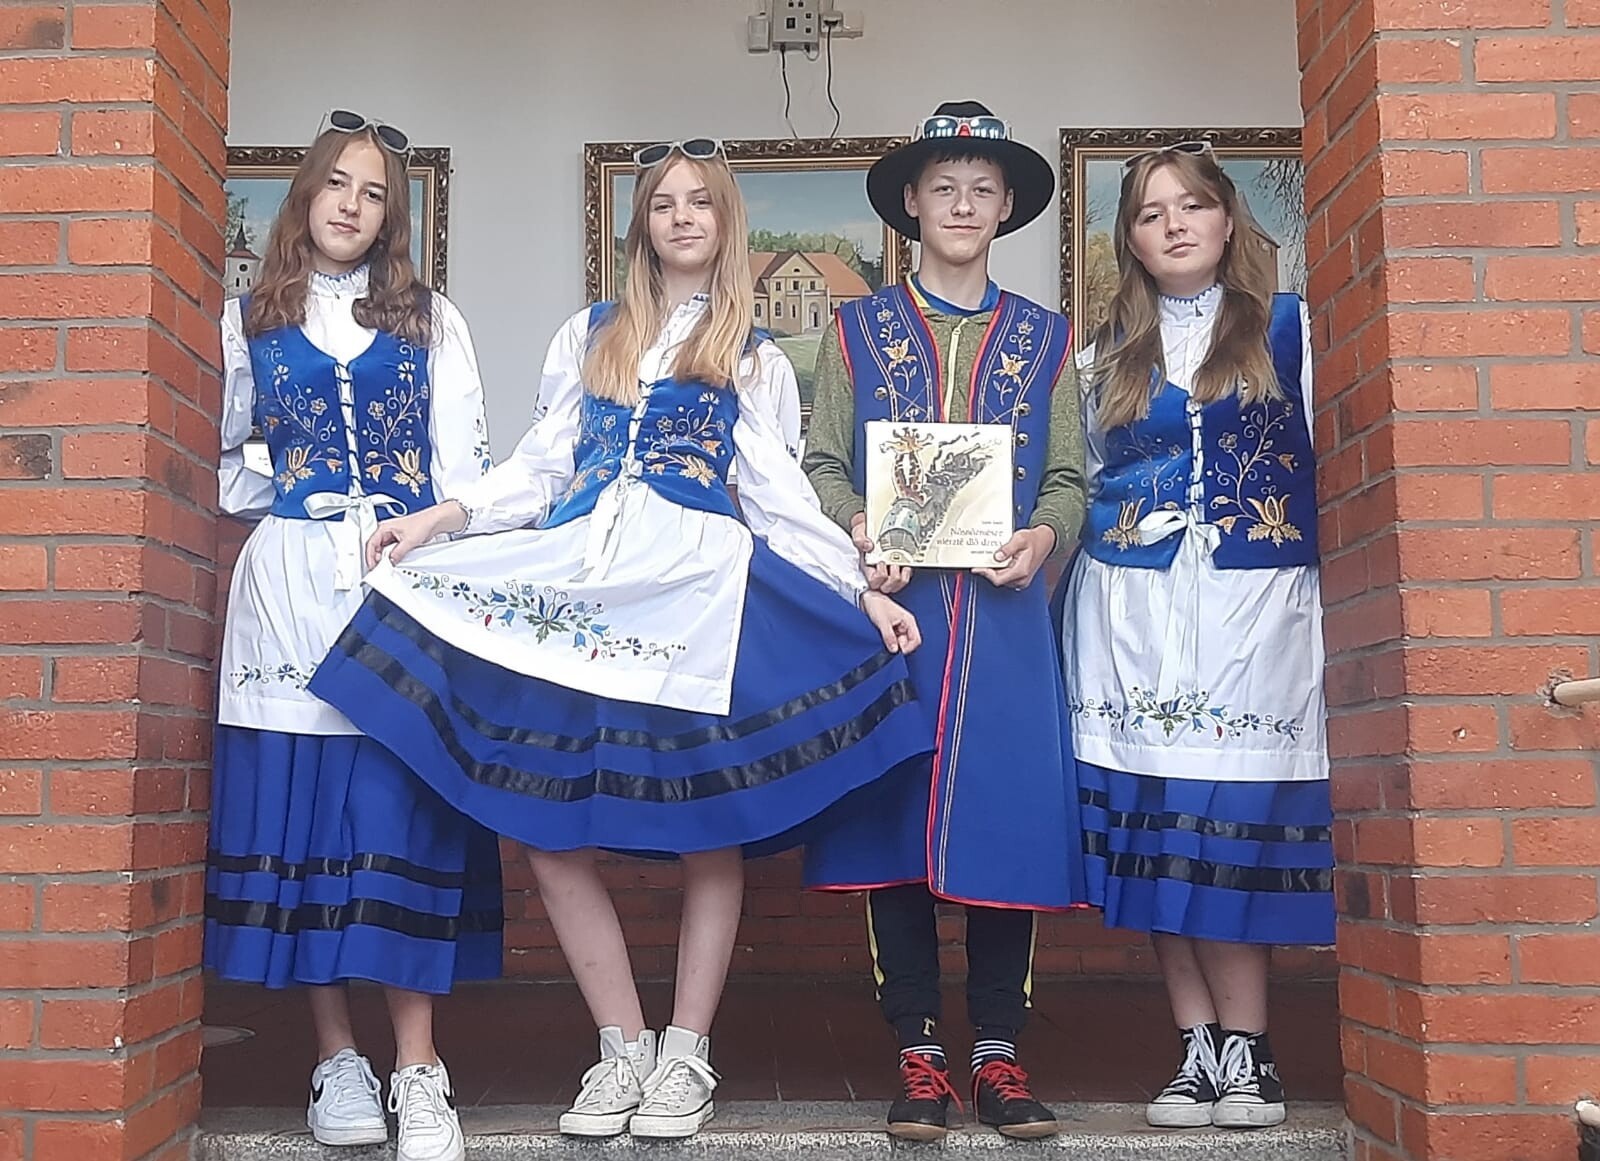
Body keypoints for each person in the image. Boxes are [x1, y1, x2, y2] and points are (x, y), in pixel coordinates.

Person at [305, 138, 932, 1141]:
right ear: (641, 222)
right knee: (549, 828)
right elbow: (540, 468)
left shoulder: (753, 352)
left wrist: (859, 590)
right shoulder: (589, 333)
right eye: (664, 202)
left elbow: (778, 498)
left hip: (693, 592)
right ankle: (621, 1046)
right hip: (586, 587)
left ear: (724, 222)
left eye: (700, 202)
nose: (682, 217)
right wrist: (441, 519)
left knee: (708, 827)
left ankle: (687, 1052)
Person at [205, 111, 500, 1161]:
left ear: (392, 217)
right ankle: (337, 1055)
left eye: (374, 193)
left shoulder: (430, 320)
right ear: (307, 193)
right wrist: (295, 504)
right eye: (337, 183)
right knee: (305, 813)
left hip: (400, 581)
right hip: (291, 583)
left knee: (397, 807)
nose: (352, 205)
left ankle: (419, 1067)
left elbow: (466, 475)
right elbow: (224, 461)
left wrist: (425, 531)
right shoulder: (249, 319)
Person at [800, 101, 1087, 1141]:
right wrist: (857, 527)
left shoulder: (1047, 339)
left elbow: (1068, 480)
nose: (962, 205)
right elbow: (819, 464)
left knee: (1006, 823)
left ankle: (1000, 1053)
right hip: (899, 616)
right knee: (897, 826)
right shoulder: (855, 330)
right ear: (912, 205)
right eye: (944, 188)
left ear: (1005, 208)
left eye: (982, 190)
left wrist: (1043, 539)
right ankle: (918, 1053)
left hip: (1003, 622)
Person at [1061, 140, 1334, 1130]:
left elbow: (1337, 461)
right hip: (1129, 612)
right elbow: (1077, 480)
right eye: (1150, 212)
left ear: (1226, 219)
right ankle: (1196, 1048)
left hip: (1252, 611)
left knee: (1227, 831)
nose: (1173, 224)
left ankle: (1250, 1049)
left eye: (1190, 205)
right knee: (1154, 827)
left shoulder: (1292, 330)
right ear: (1130, 240)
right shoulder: (1100, 354)